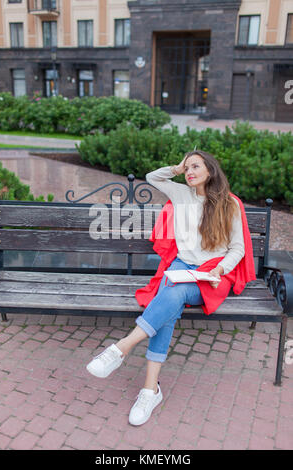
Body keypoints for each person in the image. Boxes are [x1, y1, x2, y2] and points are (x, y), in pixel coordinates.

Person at [86, 150, 246, 426]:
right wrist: (177, 167)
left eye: (196, 166)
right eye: (187, 168)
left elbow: (238, 248)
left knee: (174, 293)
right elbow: (151, 177)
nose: (189, 171)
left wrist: (219, 269)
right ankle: (150, 390)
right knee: (170, 300)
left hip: (211, 275)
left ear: (211, 170)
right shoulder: (182, 194)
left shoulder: (229, 204)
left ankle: (121, 349)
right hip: (181, 267)